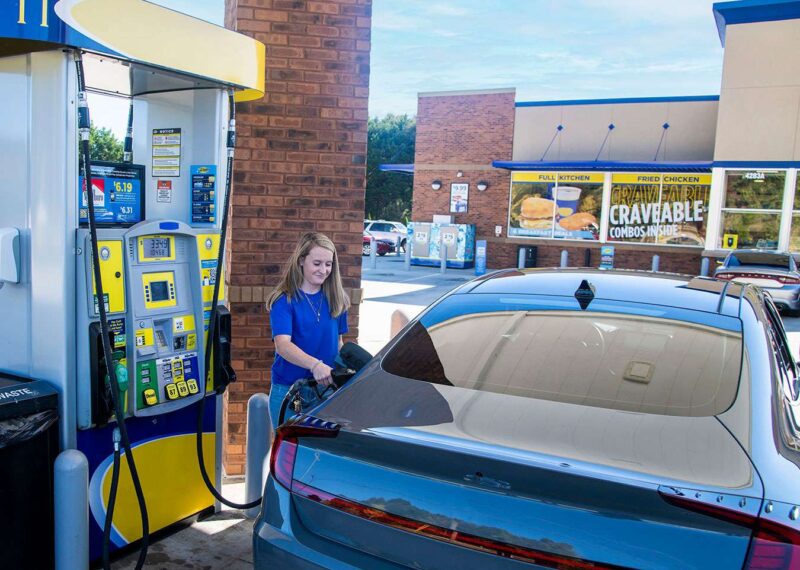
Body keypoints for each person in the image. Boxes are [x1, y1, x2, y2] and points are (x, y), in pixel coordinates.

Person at [265, 233, 350, 429]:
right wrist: (315, 365)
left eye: (328, 264)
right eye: (317, 263)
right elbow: (283, 346)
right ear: (302, 260)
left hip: (325, 392)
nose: (324, 270)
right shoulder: (284, 301)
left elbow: (338, 343)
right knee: (289, 457)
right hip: (289, 392)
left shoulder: (337, 299)